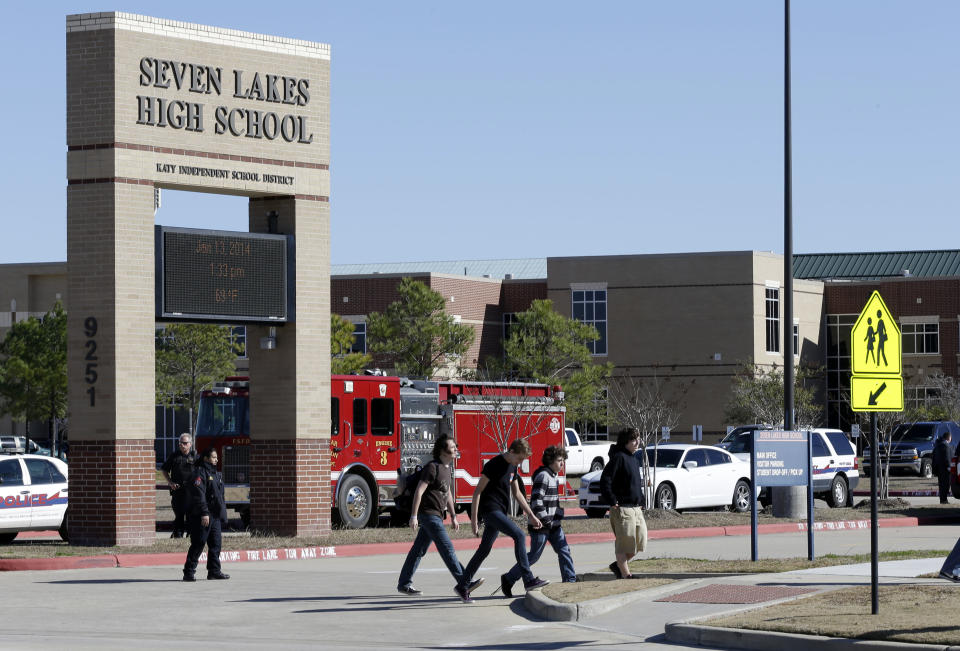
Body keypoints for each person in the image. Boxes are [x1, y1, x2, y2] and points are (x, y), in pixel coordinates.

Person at [460, 439, 549, 600]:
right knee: (520, 535)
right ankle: (528, 579)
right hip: (490, 511)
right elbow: (477, 492)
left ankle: (462, 585)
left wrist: (531, 514)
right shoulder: (493, 465)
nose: (521, 462)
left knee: (484, 550)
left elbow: (517, 493)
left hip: (500, 511)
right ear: (512, 452)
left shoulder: (513, 466)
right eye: (520, 458)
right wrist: (474, 520)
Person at [397, 435, 482, 602]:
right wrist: (413, 515)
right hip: (428, 515)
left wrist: (453, 516)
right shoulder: (432, 467)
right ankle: (463, 583)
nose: (456, 449)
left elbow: (447, 493)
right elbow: (419, 491)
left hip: (436, 515)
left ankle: (404, 583)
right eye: (453, 447)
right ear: (443, 450)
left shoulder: (447, 468)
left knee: (418, 550)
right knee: (447, 549)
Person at [500, 445, 576, 597]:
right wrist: (546, 519)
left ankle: (570, 581)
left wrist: (557, 516)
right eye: (559, 461)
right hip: (540, 525)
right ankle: (508, 578)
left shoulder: (553, 476)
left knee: (564, 550)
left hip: (553, 525)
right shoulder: (543, 476)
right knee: (534, 555)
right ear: (550, 461)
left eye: (563, 461)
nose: (562, 464)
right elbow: (536, 502)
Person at [599, 428, 647, 579]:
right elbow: (605, 480)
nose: (637, 442)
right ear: (625, 442)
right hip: (623, 509)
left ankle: (618, 565)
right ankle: (626, 575)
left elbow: (635, 483)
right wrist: (612, 500)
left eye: (638, 439)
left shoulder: (634, 459)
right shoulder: (618, 457)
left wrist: (641, 499)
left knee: (640, 542)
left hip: (636, 508)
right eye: (634, 439)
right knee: (624, 543)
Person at [183, 447, 230, 582]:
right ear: (206, 458)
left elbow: (218, 495)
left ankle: (214, 571)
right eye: (214, 457)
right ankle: (189, 572)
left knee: (216, 544)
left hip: (214, 515)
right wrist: (204, 512)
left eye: (216, 457)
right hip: (202, 515)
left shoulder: (215, 473)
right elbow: (199, 495)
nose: (216, 460)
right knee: (199, 543)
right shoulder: (200, 473)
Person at [161, 433, 197, 538]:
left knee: (191, 516)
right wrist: (170, 482)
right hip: (178, 491)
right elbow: (164, 469)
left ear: (190, 444)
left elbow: (201, 472)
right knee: (179, 515)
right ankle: (178, 535)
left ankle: (191, 535)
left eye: (185, 443)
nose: (182, 445)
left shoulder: (195, 456)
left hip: (192, 492)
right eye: (180, 443)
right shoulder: (174, 456)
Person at [933, 431, 952, 505]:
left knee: (942, 485)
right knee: (945, 485)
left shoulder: (938, 445)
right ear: (949, 437)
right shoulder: (945, 445)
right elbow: (947, 457)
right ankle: (944, 500)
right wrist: (949, 467)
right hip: (945, 469)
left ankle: (943, 499)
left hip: (939, 469)